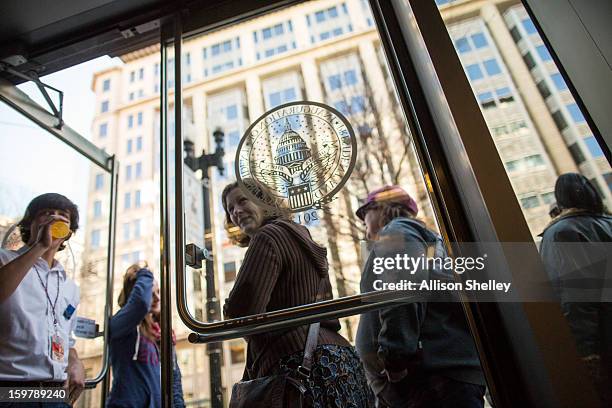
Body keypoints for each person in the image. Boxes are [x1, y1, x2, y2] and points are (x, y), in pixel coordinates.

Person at [222, 181, 374, 408]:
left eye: (242, 200)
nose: (236, 211)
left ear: (264, 201)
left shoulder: (268, 237)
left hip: (293, 363)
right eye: (230, 209)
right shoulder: (302, 237)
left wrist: (228, 309)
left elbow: (241, 312)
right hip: (338, 358)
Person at [355, 185, 486, 408]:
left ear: (381, 209)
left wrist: (395, 360)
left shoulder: (397, 232)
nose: (364, 226)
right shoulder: (429, 242)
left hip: (431, 380)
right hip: (445, 377)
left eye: (365, 214)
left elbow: (403, 292)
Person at [0, 193, 85, 407]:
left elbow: (66, 337)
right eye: (45, 213)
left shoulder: (69, 286)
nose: (54, 218)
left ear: (69, 232)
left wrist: (74, 360)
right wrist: (40, 246)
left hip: (55, 393)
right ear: (30, 224)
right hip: (10, 390)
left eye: (62, 215)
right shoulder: (4, 260)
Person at [539, 173, 612, 404]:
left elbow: (574, 297)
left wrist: (586, 355)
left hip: (603, 340)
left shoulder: (562, 233)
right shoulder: (607, 224)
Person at [106, 263, 184, 408]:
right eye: (151, 293)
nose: (157, 298)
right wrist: (145, 273)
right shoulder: (121, 323)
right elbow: (141, 304)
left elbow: (174, 379)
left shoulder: (159, 333)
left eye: (158, 292)